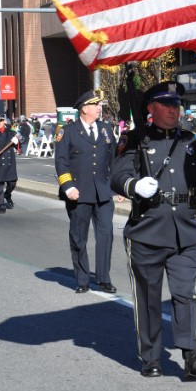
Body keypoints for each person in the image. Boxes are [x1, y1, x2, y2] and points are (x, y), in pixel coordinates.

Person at [111, 81, 196, 378]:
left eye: (176, 104)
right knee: (148, 298)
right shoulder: (135, 138)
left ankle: (190, 351)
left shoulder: (192, 140)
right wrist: (134, 185)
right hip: (148, 230)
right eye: (166, 104)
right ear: (150, 109)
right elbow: (118, 175)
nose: (173, 110)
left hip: (184, 229)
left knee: (185, 293)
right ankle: (151, 356)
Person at [55, 90, 117, 294]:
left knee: (106, 234)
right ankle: (82, 279)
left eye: (100, 105)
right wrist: (68, 187)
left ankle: (103, 278)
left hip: (103, 192)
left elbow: (113, 161)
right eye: (96, 105)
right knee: (79, 237)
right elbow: (61, 162)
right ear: (84, 108)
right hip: (78, 193)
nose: (100, 108)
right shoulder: (68, 131)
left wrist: (118, 186)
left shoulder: (106, 129)